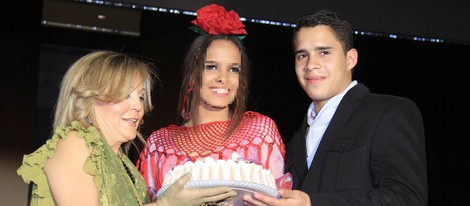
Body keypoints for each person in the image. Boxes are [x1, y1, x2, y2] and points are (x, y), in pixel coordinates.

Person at [244, 10, 428, 206]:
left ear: (351, 59)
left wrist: (312, 203)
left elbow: (408, 199)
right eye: (302, 55)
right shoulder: (295, 139)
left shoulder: (389, 112)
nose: (311, 65)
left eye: (324, 52)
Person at [17, 50, 236, 206]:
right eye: (124, 95)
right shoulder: (75, 142)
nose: (138, 106)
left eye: (141, 96)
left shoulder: (124, 165)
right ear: (88, 99)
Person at [137, 4, 290, 203]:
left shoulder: (260, 131)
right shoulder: (159, 144)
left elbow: (278, 198)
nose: (223, 78)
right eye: (211, 67)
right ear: (192, 76)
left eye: (234, 69)